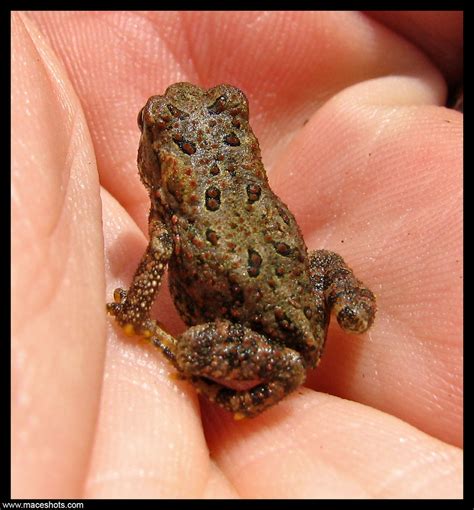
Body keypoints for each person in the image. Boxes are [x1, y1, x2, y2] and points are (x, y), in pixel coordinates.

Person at [11, 11, 463, 498]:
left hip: (254, 330)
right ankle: (324, 326)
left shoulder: (170, 210)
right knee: (326, 264)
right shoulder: (190, 194)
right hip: (299, 296)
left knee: (190, 349)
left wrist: (133, 315)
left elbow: (160, 250)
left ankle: (267, 377)